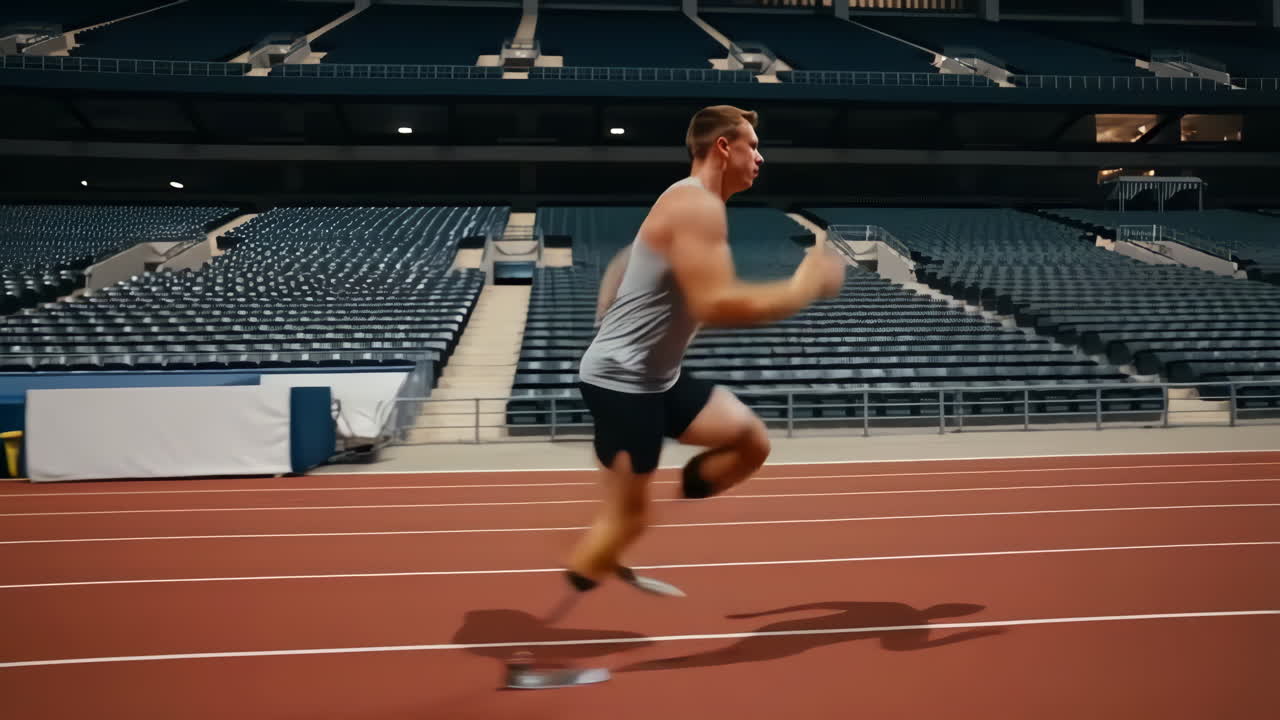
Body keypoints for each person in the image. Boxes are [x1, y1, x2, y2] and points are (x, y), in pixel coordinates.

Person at [558, 104, 847, 605]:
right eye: (752, 145)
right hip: (620, 386)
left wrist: (617, 295)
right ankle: (556, 628)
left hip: (659, 381)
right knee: (625, 525)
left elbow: (642, 265)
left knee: (750, 443)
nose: (760, 156)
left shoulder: (692, 205)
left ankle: (673, 493)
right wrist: (804, 284)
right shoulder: (695, 206)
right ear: (723, 147)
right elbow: (714, 303)